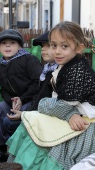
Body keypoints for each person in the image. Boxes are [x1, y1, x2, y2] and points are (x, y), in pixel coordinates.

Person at [6, 21, 95, 170]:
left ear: (79, 48)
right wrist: (68, 113)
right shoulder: (66, 66)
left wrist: (47, 105)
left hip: (85, 125)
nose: (57, 51)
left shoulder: (77, 72)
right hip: (73, 117)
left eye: (64, 46)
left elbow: (60, 104)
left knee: (36, 123)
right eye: (54, 45)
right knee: (33, 122)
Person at [0, 29, 43, 152]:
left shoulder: (29, 59)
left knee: (9, 120)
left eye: (12, 42)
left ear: (20, 46)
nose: (8, 45)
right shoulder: (1, 65)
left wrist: (22, 98)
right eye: (3, 43)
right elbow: (3, 89)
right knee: (0, 108)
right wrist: (11, 99)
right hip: (14, 101)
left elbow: (38, 83)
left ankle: (17, 148)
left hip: (31, 100)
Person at [26, 31, 58, 111]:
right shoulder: (46, 70)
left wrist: (25, 114)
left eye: (49, 45)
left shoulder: (60, 71)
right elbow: (39, 95)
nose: (43, 49)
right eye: (43, 46)